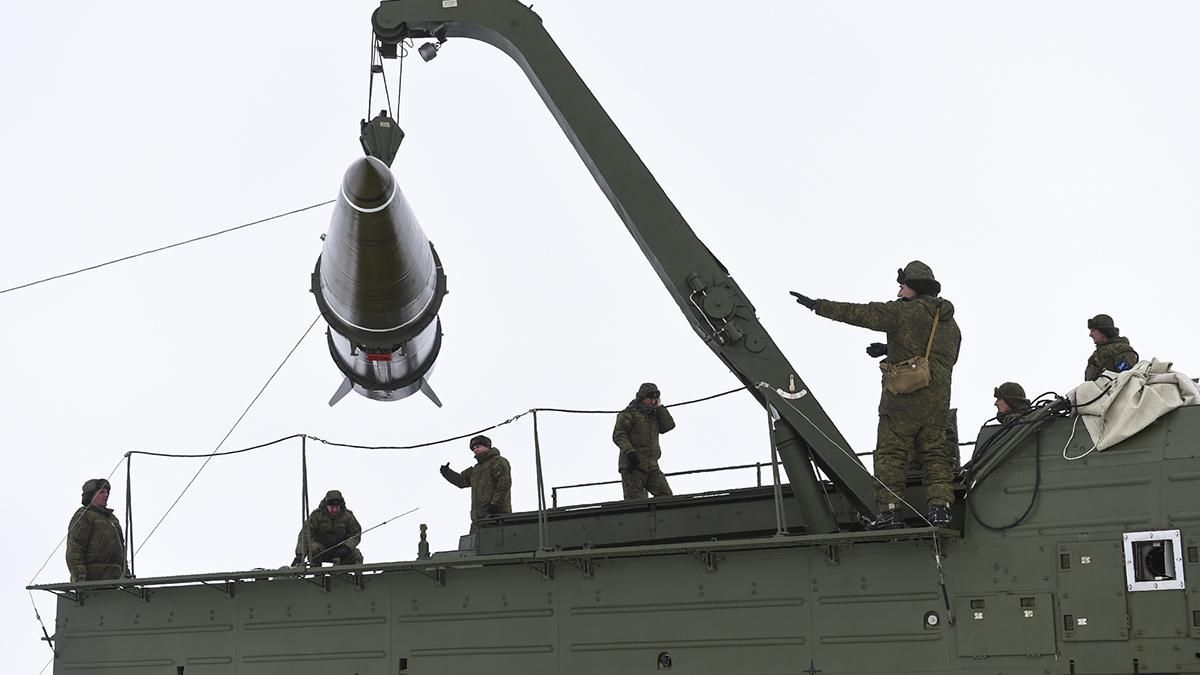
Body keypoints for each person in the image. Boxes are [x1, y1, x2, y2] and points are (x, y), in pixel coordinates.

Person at [791, 260, 961, 529]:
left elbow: (862, 314)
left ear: (913, 287)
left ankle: (890, 513)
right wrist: (890, 347)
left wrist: (817, 306)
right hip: (938, 401)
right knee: (936, 455)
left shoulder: (903, 312)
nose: (898, 291)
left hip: (903, 399)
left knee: (890, 454)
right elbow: (943, 358)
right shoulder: (950, 324)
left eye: (902, 286)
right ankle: (940, 510)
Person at [613, 382, 677, 500]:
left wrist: (659, 407)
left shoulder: (654, 415)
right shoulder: (629, 414)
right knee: (635, 504)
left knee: (666, 497)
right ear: (642, 398)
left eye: (655, 399)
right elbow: (619, 435)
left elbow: (668, 426)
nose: (653, 401)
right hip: (633, 466)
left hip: (652, 466)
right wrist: (629, 452)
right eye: (650, 398)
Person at [66, 478, 129, 582]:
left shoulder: (112, 519)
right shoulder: (84, 516)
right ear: (91, 495)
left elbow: (121, 551)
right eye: (101, 492)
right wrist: (79, 578)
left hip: (115, 579)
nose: (106, 495)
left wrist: (126, 576)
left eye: (107, 492)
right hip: (93, 580)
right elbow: (75, 550)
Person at [440, 435, 512, 526]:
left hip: (497, 517)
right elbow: (461, 481)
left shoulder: (498, 461)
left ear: (487, 447)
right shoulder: (476, 469)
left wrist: (494, 504)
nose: (475, 450)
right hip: (479, 519)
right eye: (473, 448)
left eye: (478, 447)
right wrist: (447, 473)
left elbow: (504, 484)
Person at [294, 490, 363, 566]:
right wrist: (300, 555)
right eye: (331, 507)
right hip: (321, 550)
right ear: (326, 505)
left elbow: (356, 533)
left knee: (356, 554)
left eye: (337, 507)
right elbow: (305, 534)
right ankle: (317, 574)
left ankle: (345, 575)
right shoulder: (316, 516)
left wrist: (346, 547)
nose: (334, 510)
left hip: (340, 551)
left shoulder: (348, 516)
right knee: (313, 548)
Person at [1085, 314, 1139, 381]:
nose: (1090, 334)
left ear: (1103, 331)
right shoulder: (1095, 356)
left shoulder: (1120, 350)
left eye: (1093, 330)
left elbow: (1128, 379)